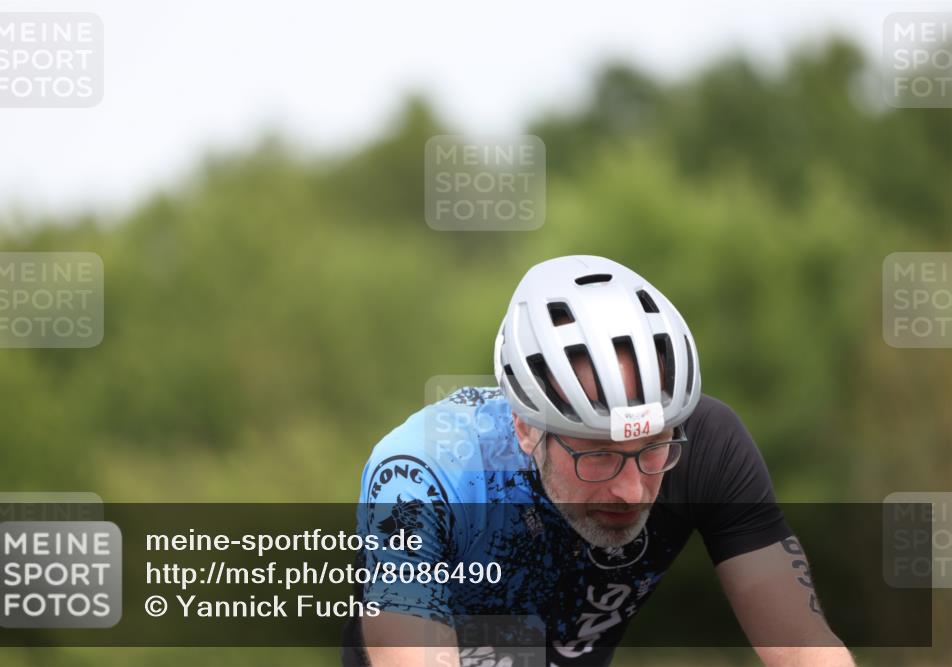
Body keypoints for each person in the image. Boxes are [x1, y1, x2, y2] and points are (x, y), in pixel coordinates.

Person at [342, 255, 855, 666]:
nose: (630, 491)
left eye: (653, 449)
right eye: (600, 456)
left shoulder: (708, 445)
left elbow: (802, 647)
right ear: (526, 427)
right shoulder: (420, 476)